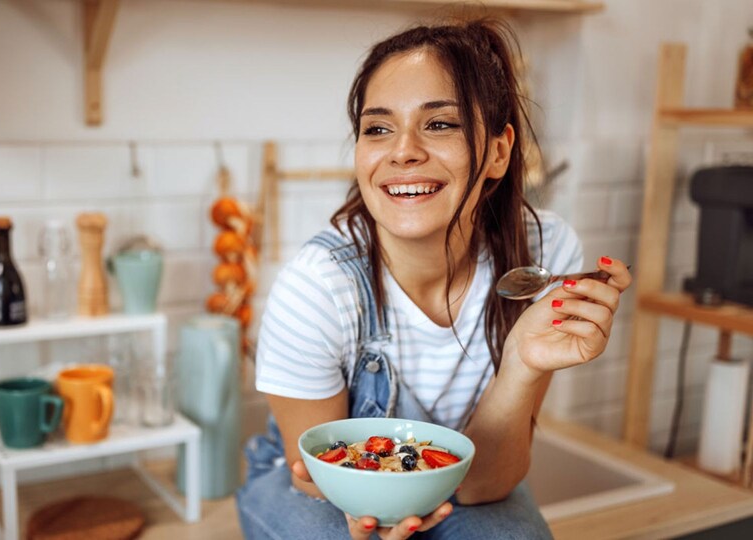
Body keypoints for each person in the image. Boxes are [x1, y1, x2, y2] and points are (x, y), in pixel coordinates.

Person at [236, 17, 633, 540]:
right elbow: (315, 471)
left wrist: (522, 361)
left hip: (462, 476)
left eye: (439, 123)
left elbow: (484, 483)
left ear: (497, 151)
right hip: (320, 488)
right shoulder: (317, 287)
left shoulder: (545, 257)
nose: (402, 151)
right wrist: (386, 508)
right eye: (378, 128)